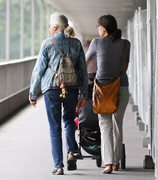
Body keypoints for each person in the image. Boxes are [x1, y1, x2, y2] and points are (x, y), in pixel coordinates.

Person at [29, 12, 88, 175]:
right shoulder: (76, 44)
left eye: (50, 27)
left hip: (51, 88)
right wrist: (83, 94)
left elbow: (39, 70)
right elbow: (83, 70)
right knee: (69, 120)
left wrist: (32, 93)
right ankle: (71, 151)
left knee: (54, 128)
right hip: (72, 87)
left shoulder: (47, 44)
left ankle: (59, 166)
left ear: (54, 27)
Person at [86, 14, 131, 174]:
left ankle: (109, 163)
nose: (97, 29)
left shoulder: (96, 43)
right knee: (118, 124)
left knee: (105, 125)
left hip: (103, 90)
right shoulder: (126, 44)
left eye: (98, 26)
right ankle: (116, 162)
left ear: (103, 28)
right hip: (121, 87)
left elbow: (85, 62)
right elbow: (124, 68)